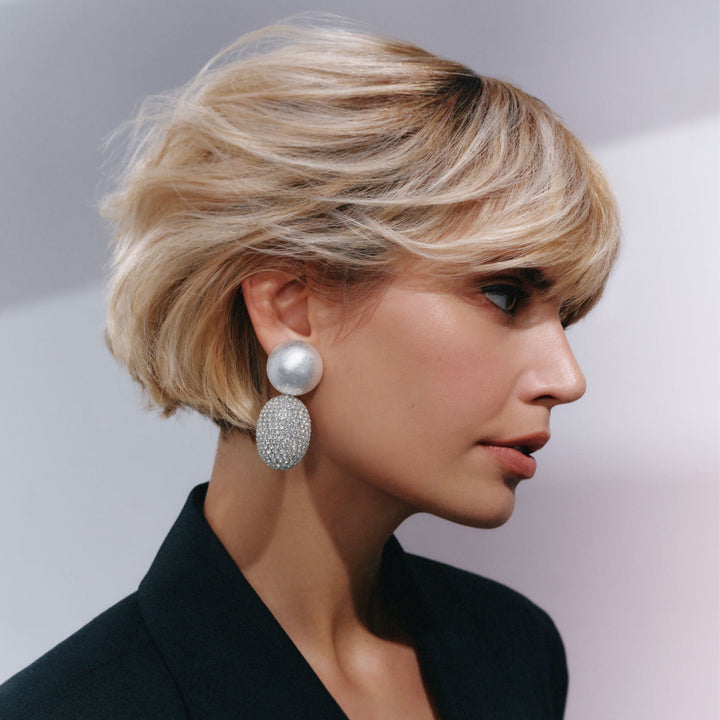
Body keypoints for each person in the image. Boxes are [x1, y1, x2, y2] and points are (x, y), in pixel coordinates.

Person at [0, 20, 619, 720]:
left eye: (565, 317)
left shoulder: (514, 648)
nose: (567, 379)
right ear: (290, 308)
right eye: (504, 295)